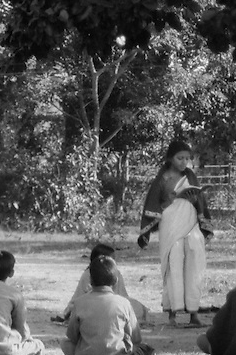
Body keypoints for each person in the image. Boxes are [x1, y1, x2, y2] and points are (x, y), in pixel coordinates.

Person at [140, 140, 212, 326]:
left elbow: (200, 202)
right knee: (174, 264)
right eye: (180, 158)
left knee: (194, 264)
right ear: (170, 158)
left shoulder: (191, 175)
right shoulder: (163, 178)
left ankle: (194, 313)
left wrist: (195, 197)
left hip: (191, 223)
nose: (184, 162)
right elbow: (154, 206)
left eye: (187, 158)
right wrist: (173, 198)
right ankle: (172, 313)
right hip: (171, 224)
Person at [62, 256, 155, 355]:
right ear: (116, 281)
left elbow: (72, 336)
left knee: (65, 342)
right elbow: (136, 338)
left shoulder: (79, 303)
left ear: (90, 280)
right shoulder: (124, 303)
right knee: (143, 348)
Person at [58, 243, 149, 325]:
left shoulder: (117, 274)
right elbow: (85, 298)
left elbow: (122, 296)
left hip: (112, 305)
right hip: (93, 307)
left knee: (136, 307)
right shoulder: (88, 275)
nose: (114, 263)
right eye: (111, 260)